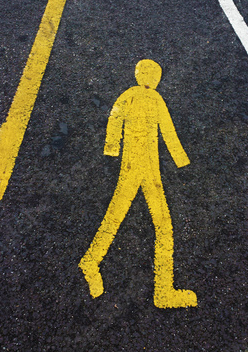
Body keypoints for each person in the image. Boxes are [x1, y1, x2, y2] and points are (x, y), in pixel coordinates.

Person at [79, 59, 197, 308]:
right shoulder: (152, 99)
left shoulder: (134, 96)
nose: (152, 79)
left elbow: (116, 118)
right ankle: (163, 290)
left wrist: (112, 148)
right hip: (143, 168)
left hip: (137, 166)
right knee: (161, 222)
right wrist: (181, 161)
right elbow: (167, 130)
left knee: (118, 215)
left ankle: (91, 260)